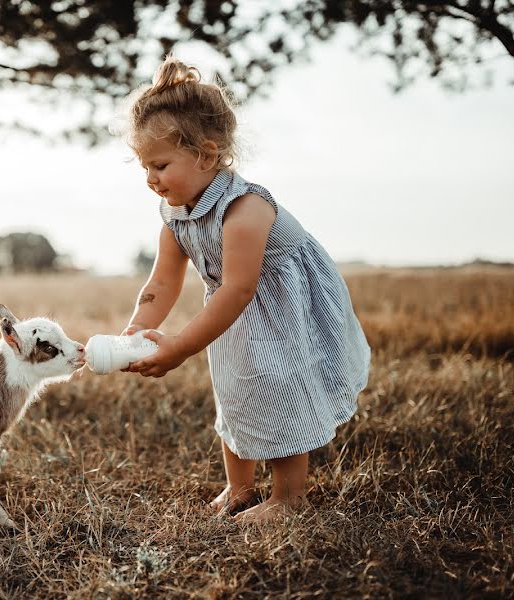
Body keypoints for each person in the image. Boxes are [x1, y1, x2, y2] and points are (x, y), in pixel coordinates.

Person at [116, 56, 371, 523]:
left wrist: (178, 348)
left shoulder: (245, 209)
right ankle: (239, 487)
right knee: (234, 390)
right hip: (234, 309)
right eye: (143, 167)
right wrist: (137, 330)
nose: (150, 178)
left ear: (207, 155)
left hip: (283, 307)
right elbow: (162, 282)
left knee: (281, 389)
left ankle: (290, 499)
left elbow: (238, 289)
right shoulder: (174, 216)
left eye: (160, 164)